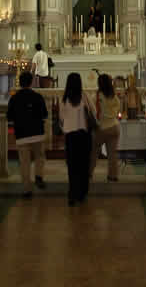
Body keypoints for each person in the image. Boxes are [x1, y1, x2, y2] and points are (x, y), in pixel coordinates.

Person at [7, 71, 48, 198]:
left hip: (22, 134)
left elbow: (9, 117)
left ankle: (26, 189)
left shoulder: (14, 98)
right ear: (31, 82)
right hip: (37, 133)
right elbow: (45, 115)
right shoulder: (38, 96)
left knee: (24, 162)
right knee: (39, 156)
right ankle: (39, 176)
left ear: (20, 83)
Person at [60, 73, 93, 206]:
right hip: (83, 135)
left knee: (72, 166)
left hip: (70, 136)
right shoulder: (85, 96)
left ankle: (72, 194)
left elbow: (61, 118)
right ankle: (82, 193)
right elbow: (93, 111)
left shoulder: (64, 98)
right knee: (84, 164)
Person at [90, 74, 121, 182]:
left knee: (93, 152)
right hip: (114, 127)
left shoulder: (98, 95)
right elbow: (118, 109)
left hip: (101, 128)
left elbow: (93, 111)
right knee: (112, 154)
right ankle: (113, 176)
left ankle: (89, 173)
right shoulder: (114, 95)